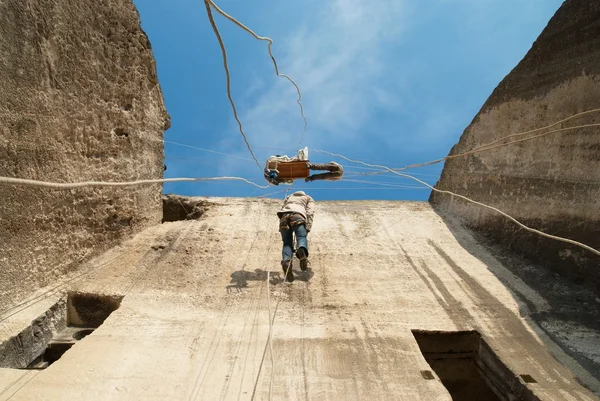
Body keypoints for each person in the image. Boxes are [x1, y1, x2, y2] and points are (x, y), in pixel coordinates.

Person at [277, 191, 314, 282]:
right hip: (298, 215)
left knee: (287, 243)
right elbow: (310, 212)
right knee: (301, 237)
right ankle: (301, 249)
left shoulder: (289, 197)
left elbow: (283, 206)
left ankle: (286, 260)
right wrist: (308, 227)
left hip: (284, 217)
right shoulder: (308, 198)